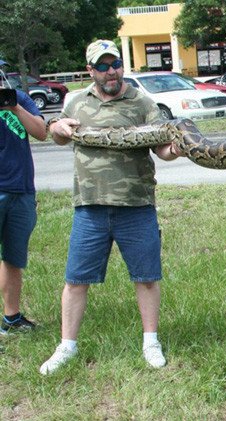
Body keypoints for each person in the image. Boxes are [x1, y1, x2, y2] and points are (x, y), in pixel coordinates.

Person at [40, 40, 182, 375]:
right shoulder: (76, 101)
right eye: (102, 66)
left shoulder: (142, 102)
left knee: (146, 277)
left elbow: (162, 148)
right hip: (89, 206)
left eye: (115, 63)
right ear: (90, 70)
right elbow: (58, 133)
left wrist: (175, 150)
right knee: (76, 279)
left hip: (136, 203)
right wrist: (56, 127)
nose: (111, 72)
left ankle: (151, 342)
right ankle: (67, 347)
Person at [0, 75, 47, 335]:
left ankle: (12, 317)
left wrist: (15, 108)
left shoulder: (17, 99)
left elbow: (41, 132)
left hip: (22, 190)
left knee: (13, 258)